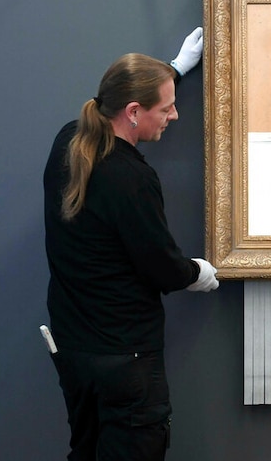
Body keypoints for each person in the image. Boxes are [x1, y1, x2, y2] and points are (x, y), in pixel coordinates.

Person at [43, 27, 218, 461]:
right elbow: (160, 266)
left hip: (74, 351)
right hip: (126, 359)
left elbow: (111, 98)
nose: (174, 116)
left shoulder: (68, 140)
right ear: (135, 111)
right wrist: (199, 273)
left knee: (85, 452)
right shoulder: (132, 179)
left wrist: (173, 70)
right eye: (168, 107)